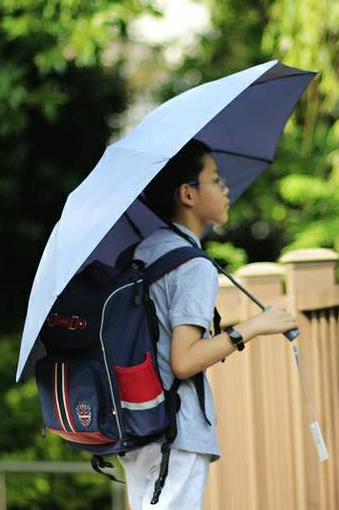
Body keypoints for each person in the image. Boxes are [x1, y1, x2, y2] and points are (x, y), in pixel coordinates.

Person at [119, 139, 297, 509]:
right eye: (215, 179)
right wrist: (254, 326)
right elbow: (184, 359)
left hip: (139, 425)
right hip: (175, 432)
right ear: (188, 194)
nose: (225, 189)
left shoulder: (144, 253)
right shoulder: (193, 265)